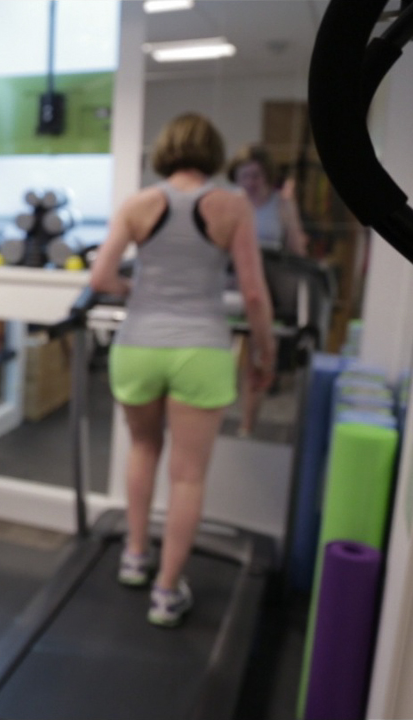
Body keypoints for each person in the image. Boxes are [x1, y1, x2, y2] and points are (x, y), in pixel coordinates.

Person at [89, 113, 275, 627]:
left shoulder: (137, 204)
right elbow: (253, 293)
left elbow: (101, 277)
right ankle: (167, 592)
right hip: (201, 348)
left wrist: (135, 290)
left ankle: (134, 557)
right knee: (188, 477)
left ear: (167, 150)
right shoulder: (232, 206)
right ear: (213, 153)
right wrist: (265, 353)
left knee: (142, 449)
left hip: (139, 345)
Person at [228, 143, 310, 436]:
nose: (251, 182)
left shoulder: (282, 205)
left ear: (266, 176)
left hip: (268, 288)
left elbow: (297, 250)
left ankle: (247, 426)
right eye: (245, 175)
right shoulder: (229, 202)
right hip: (230, 287)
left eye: (256, 175)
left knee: (259, 358)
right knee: (220, 357)